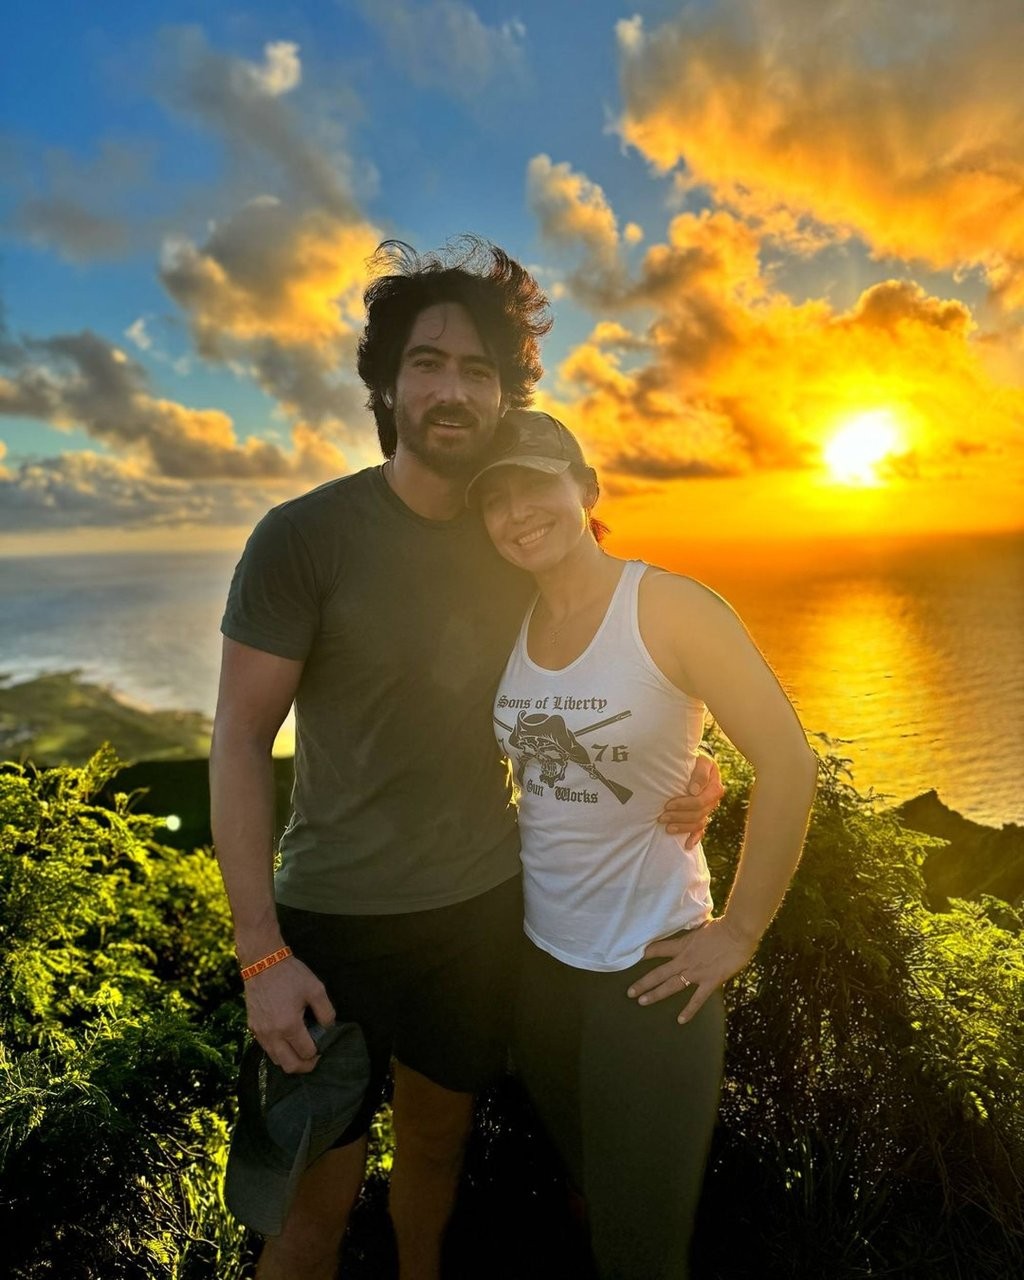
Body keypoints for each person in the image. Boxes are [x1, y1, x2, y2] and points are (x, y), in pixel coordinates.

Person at [210, 238, 724, 1280]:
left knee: (435, 1152)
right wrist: (260, 950)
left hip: (481, 911)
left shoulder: (515, 536)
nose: (452, 389)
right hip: (333, 925)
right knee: (313, 1201)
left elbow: (616, 656)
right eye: (428, 362)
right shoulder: (303, 537)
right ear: (386, 384)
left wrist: (693, 761)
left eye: (478, 370)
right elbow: (235, 737)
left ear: (506, 394)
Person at [466, 409, 818, 1280]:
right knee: (592, 1193)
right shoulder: (507, 619)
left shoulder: (666, 605)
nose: (517, 514)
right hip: (541, 969)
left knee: (640, 1249)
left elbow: (789, 762)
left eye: (536, 486)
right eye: (496, 499)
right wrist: (692, 767)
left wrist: (735, 935)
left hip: (651, 970)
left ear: (586, 490)